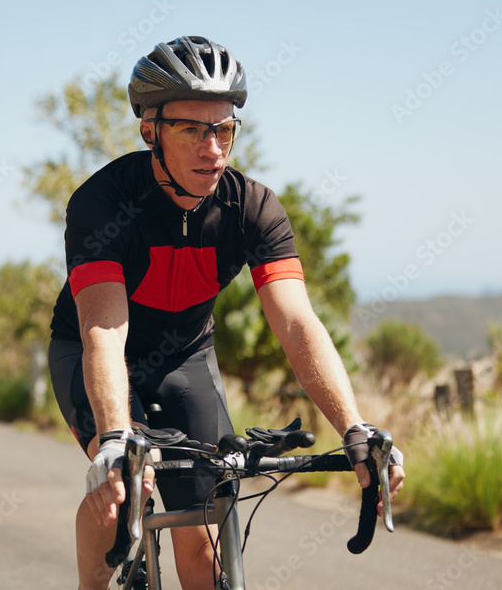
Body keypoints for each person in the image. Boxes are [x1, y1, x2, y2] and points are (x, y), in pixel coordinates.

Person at [48, 35, 404, 590]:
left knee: (207, 525)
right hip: (96, 352)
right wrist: (116, 437)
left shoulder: (252, 209)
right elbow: (104, 331)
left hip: (187, 356)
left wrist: (353, 426)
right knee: (122, 491)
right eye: (192, 129)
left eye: (224, 129)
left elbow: (296, 324)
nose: (212, 148)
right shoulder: (102, 203)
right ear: (150, 132)